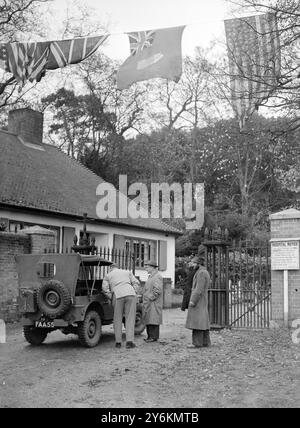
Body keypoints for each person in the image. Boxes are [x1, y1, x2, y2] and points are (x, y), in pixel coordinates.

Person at [102, 263, 140, 349]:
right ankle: (129, 342)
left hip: (117, 295)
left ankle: (118, 342)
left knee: (117, 319)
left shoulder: (108, 275)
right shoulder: (127, 272)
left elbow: (105, 289)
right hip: (130, 294)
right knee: (130, 318)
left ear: (111, 268)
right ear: (118, 267)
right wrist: (134, 291)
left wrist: (111, 297)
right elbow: (136, 282)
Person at [185, 255, 211, 348]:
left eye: (194, 262)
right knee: (202, 321)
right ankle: (205, 342)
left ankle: (197, 343)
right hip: (202, 300)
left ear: (198, 264)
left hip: (199, 301)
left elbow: (198, 289)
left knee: (197, 322)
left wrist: (193, 300)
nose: (192, 264)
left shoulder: (201, 273)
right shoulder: (203, 272)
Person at [142, 259, 163, 342]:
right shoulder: (151, 276)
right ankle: (150, 336)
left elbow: (157, 290)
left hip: (153, 302)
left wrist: (150, 298)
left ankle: (153, 337)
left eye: (147, 267)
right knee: (149, 319)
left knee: (153, 319)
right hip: (149, 302)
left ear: (152, 267)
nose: (146, 269)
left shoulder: (157, 276)